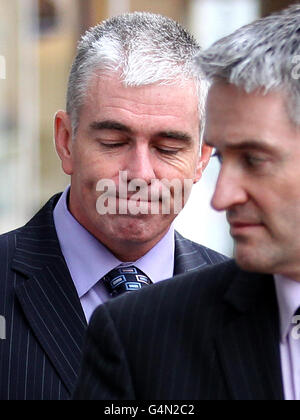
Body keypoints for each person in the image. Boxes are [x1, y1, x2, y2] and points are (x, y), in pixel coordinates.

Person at [73, 4, 300, 401]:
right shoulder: (139, 333)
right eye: (113, 142)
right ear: (65, 141)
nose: (221, 196)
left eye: (254, 160)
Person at [0, 12, 226, 400]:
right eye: (113, 142)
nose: (139, 173)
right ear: (66, 141)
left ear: (201, 160)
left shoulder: (252, 305)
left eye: (167, 148)